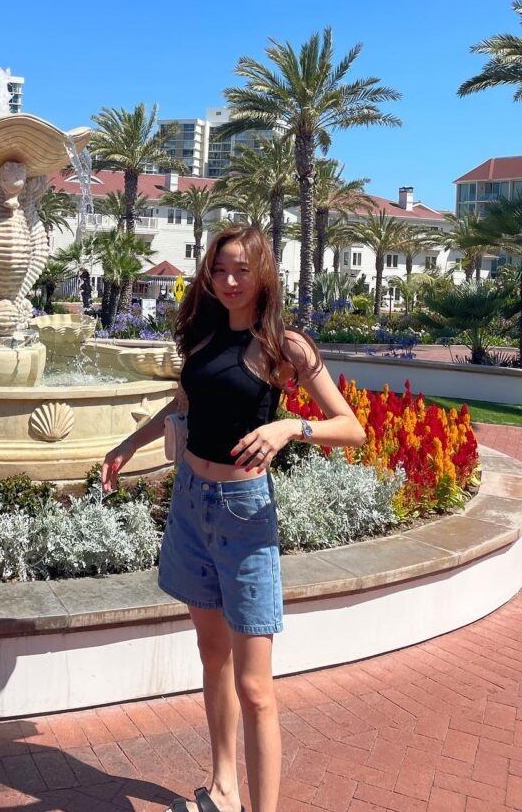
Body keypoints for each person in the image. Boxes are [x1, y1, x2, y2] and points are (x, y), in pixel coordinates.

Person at [102, 226, 365, 812]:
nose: (228, 282)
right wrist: (127, 444)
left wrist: (289, 426)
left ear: (264, 273)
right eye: (219, 270)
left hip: (245, 518)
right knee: (212, 658)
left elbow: (352, 427)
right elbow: (186, 403)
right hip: (191, 504)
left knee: (256, 689)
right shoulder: (203, 332)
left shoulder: (287, 348)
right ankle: (223, 788)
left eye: (241, 270)